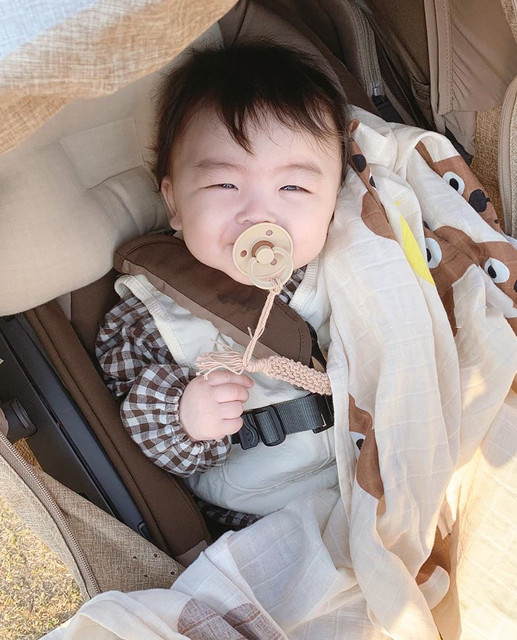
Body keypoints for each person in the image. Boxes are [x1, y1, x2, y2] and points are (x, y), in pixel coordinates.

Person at [96, 42, 351, 529]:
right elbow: (136, 417)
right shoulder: (148, 318)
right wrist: (185, 416)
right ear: (174, 203)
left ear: (335, 201)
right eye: (224, 185)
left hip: (373, 473)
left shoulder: (346, 267)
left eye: (293, 188)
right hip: (259, 517)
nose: (259, 213)